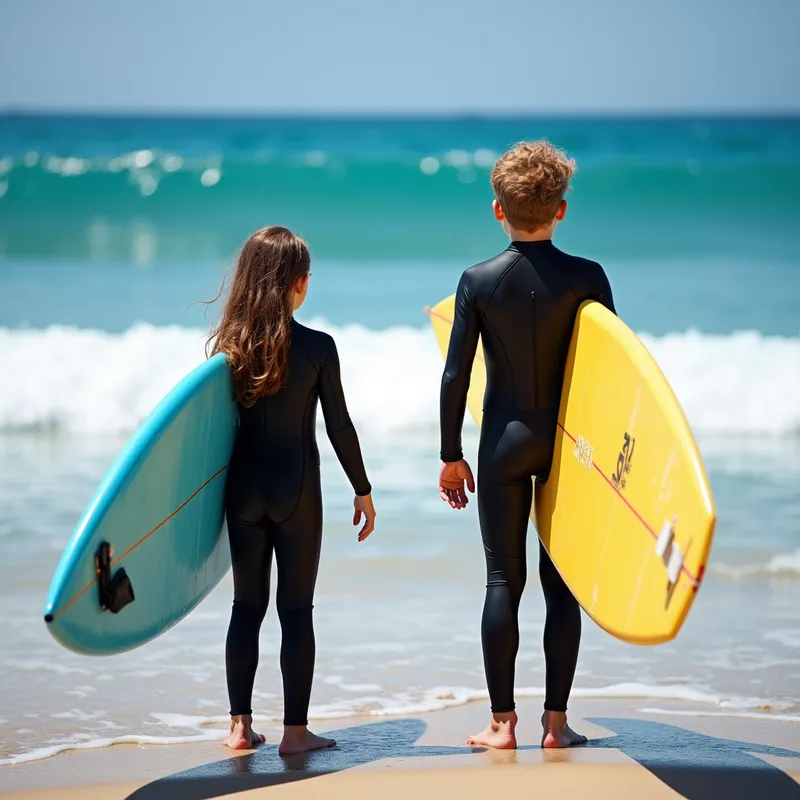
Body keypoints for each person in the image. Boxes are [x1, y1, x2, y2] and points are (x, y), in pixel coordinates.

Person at [438, 141, 616, 750]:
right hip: (568, 446)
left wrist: (450, 455)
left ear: (497, 209)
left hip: (503, 443)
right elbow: (607, 374)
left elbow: (455, 377)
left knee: (501, 580)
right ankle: (557, 725)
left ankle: (500, 724)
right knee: (559, 581)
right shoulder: (589, 278)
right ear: (561, 209)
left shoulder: (478, 281)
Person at [207, 226, 376, 754]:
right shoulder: (319, 348)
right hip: (297, 491)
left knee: (245, 608)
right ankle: (295, 734)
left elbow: (205, 431)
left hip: (242, 493)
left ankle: (239, 727)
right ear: (298, 283)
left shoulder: (228, 350)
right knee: (295, 611)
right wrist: (362, 489)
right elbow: (340, 427)